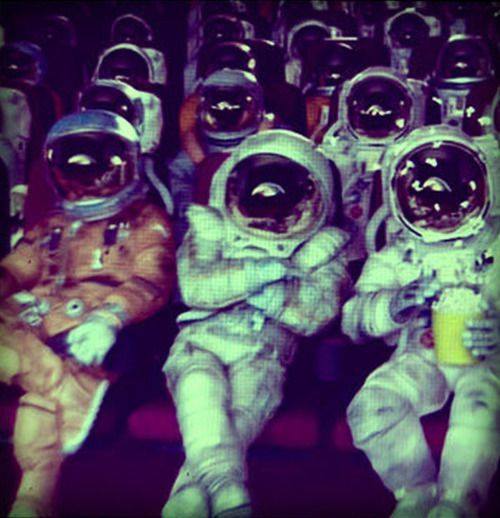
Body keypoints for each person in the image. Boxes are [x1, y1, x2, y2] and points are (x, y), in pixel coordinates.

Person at [162, 130, 350, 517]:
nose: (268, 199)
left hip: (263, 350)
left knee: (243, 408)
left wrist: (269, 295)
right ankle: (226, 487)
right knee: (199, 390)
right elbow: (195, 287)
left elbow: (318, 313)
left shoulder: (320, 248)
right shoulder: (211, 230)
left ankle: (191, 493)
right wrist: (256, 275)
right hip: (202, 340)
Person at [0, 109, 175, 517]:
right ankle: (49, 380)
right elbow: (19, 267)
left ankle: (32, 497)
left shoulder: (145, 220)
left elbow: (151, 280)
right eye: (74, 164)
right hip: (36, 322)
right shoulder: (53, 224)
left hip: (86, 327)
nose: (86, 175)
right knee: (40, 374)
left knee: (40, 403)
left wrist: (108, 319)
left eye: (97, 163)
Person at [343, 125, 500, 518]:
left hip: (483, 359)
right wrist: (396, 304)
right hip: (420, 357)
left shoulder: (495, 247)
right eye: (426, 196)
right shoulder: (397, 256)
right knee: (373, 406)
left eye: (453, 192)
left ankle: (457, 501)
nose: (440, 209)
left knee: (482, 404)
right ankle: (415, 492)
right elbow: (353, 320)